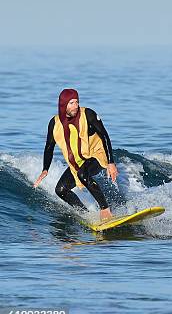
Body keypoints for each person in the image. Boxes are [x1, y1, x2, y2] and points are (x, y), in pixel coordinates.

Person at [33, 89, 119, 220]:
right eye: (71, 103)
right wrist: (45, 169)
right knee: (61, 190)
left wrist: (111, 162)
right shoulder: (54, 123)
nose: (75, 106)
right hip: (78, 161)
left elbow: (104, 136)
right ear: (63, 105)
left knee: (83, 174)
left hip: (97, 154)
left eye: (77, 102)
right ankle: (85, 214)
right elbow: (49, 147)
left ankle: (105, 209)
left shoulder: (88, 114)